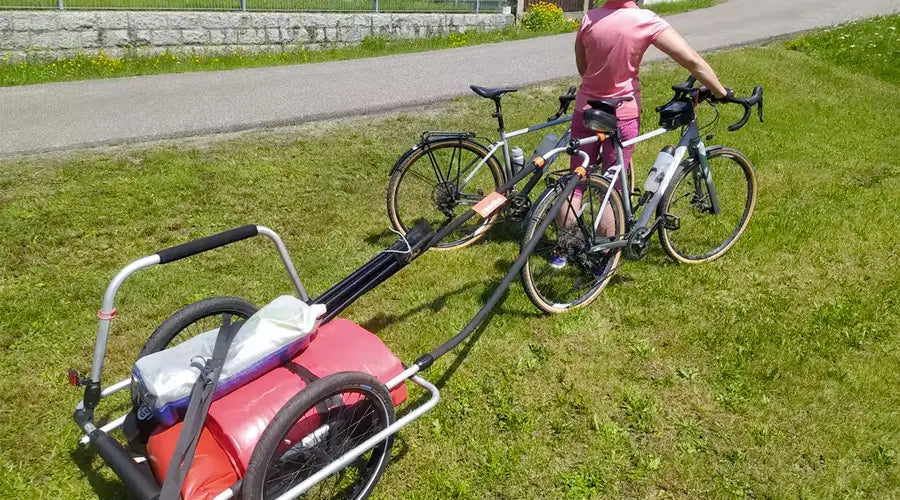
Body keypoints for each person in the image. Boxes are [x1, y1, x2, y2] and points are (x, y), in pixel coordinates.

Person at [551, 0, 730, 269]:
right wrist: (720, 90)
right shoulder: (644, 20)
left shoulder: (590, 18)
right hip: (621, 113)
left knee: (576, 183)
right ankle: (602, 257)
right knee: (614, 185)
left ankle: (562, 252)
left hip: (585, 109)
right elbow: (690, 59)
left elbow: (582, 67)